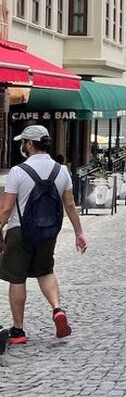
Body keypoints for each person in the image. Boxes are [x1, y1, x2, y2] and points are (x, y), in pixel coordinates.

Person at [0, 125, 88, 346]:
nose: (22, 146)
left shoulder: (18, 171)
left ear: (30, 144)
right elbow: (70, 205)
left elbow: (6, 209)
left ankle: (18, 330)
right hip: (48, 232)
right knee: (46, 271)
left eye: (24, 142)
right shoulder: (62, 171)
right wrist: (79, 233)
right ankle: (57, 309)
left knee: (17, 278)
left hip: (20, 231)